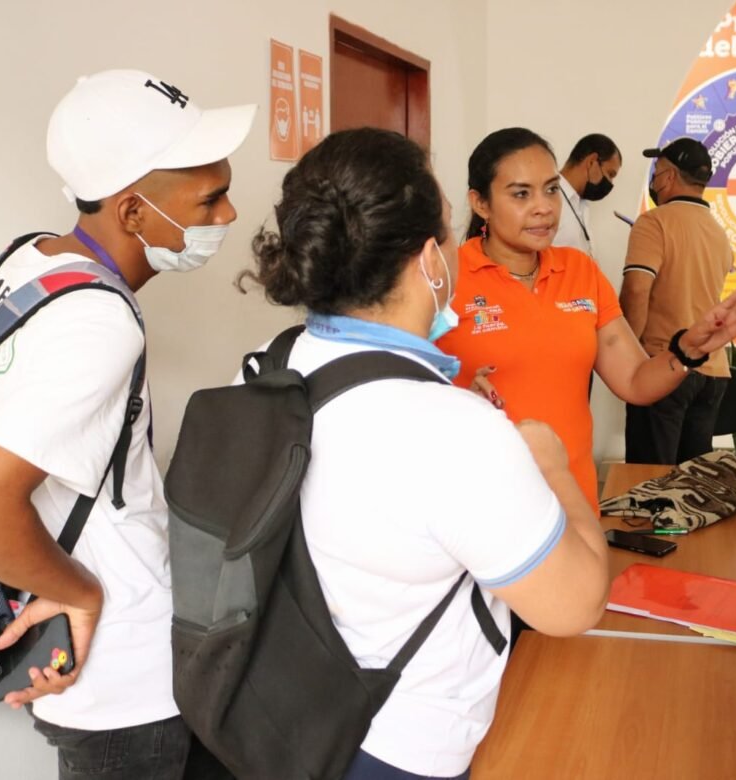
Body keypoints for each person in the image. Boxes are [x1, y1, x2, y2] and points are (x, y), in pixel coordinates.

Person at [239, 127, 610, 779]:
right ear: (432, 261)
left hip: (290, 713)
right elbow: (575, 603)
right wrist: (551, 468)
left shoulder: (272, 365)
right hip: (399, 742)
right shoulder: (452, 430)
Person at [0, 69, 253, 777]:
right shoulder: (100, 322)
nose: (229, 215)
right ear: (134, 212)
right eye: (210, 198)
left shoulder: (29, 261)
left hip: (95, 675)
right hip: (125, 684)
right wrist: (78, 592)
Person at [437, 127, 736, 511]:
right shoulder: (447, 277)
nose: (544, 207)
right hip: (479, 509)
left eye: (551, 189)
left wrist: (686, 352)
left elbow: (634, 381)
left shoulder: (581, 272)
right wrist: (452, 395)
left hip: (573, 506)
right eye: (521, 194)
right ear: (481, 204)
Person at [620, 137, 736, 465]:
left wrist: (629, 356)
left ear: (669, 176)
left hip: (664, 365)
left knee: (649, 483)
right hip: (711, 371)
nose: (654, 181)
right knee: (689, 486)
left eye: (657, 172)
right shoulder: (718, 232)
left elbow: (637, 290)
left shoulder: (654, 222)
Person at [554, 133, 622, 256]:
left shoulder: (581, 203)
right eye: (610, 174)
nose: (610, 183)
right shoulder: (549, 197)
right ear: (591, 162)